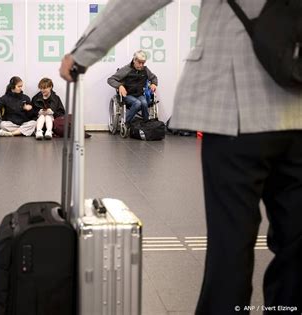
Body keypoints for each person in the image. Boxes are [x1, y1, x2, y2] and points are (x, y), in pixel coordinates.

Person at [60, 1, 302, 314]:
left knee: (232, 245)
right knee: (296, 248)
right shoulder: (128, 72)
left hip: (234, 106)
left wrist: (82, 53)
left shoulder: (147, 71)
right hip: (296, 102)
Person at [107, 49, 157, 129]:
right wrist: (119, 86)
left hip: (139, 94)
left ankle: (146, 124)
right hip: (127, 94)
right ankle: (126, 123)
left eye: (143, 63)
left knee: (144, 103)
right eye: (139, 62)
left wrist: (154, 84)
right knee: (137, 103)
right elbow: (110, 80)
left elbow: (153, 77)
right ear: (134, 60)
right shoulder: (126, 69)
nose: (141, 65)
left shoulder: (145, 70)